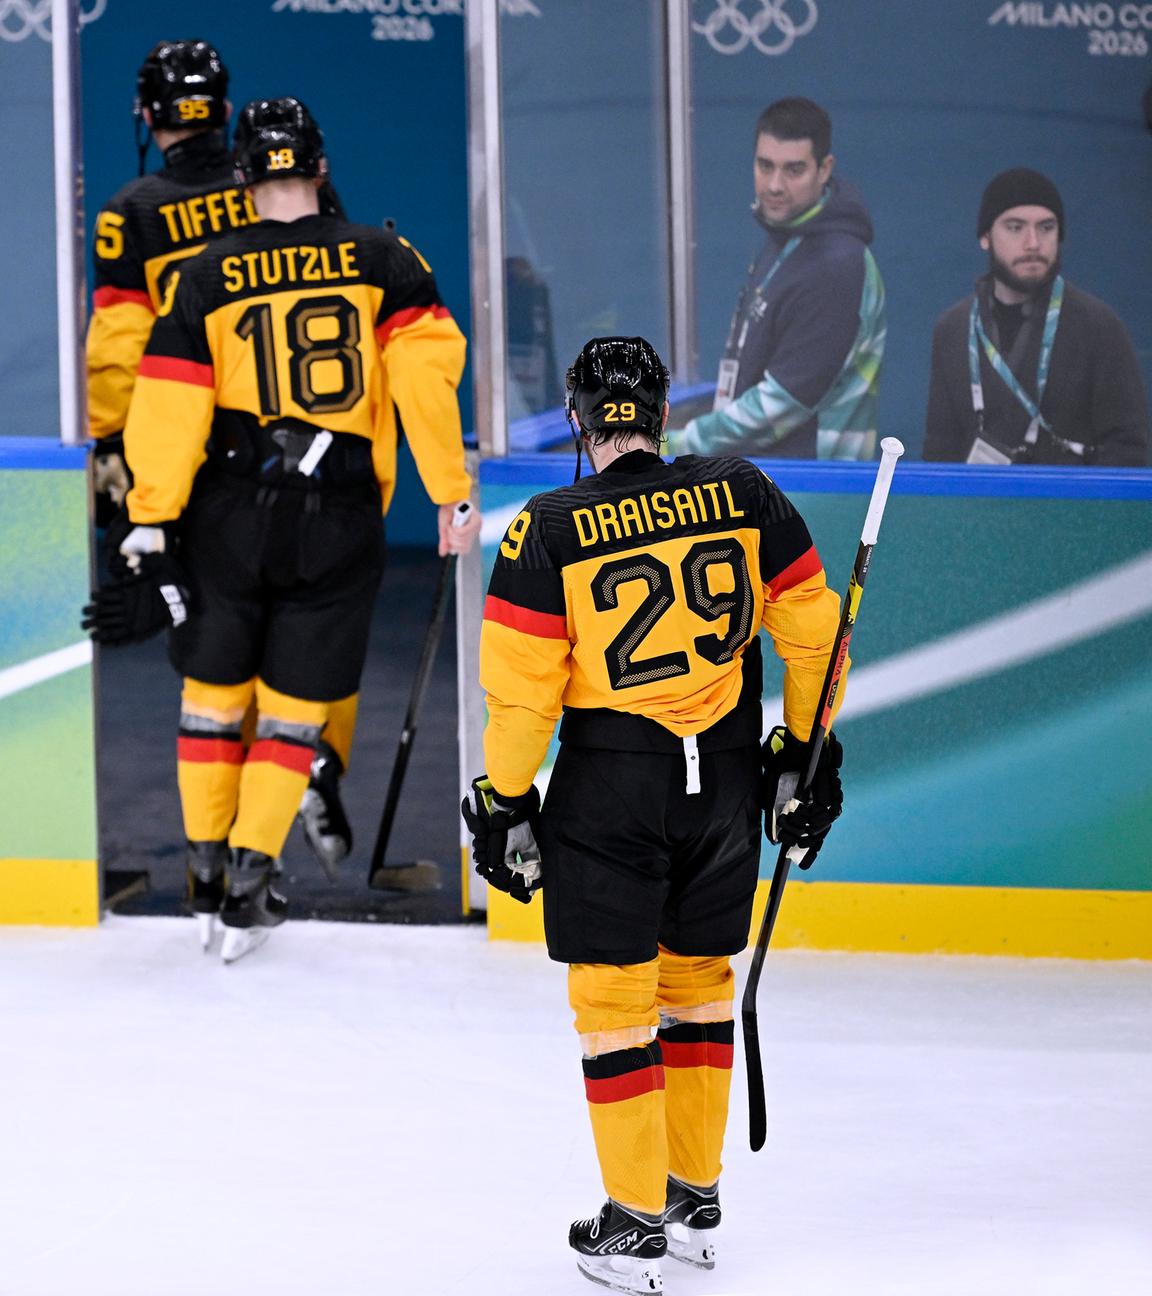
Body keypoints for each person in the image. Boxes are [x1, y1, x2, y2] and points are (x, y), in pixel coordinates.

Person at [462, 337, 846, 1292]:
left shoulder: (546, 527)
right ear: (663, 412)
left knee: (613, 1002)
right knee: (700, 981)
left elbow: (522, 699)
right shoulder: (743, 490)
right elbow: (815, 634)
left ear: (580, 416)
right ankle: (696, 1199)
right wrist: (805, 751)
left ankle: (633, 1220)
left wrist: (504, 801)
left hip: (612, 784)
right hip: (722, 781)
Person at [84, 96, 480, 962]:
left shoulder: (205, 274)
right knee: (297, 714)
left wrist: (149, 516)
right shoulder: (386, 257)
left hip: (227, 514)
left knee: (212, 697)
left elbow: (170, 406)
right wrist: (450, 492)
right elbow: (426, 386)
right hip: (337, 520)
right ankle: (251, 882)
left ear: (242, 177)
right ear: (320, 166)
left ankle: (201, 871)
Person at [85, 39, 361, 877]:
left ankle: (225, 852)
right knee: (313, 633)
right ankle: (312, 760)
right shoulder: (280, 184)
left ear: (147, 113)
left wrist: (114, 453)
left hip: (191, 461)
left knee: (218, 648)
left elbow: (119, 351)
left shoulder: (130, 212)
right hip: (303, 449)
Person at [676, 97, 885, 461]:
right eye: (765, 165)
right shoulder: (787, 237)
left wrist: (674, 444)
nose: (774, 185)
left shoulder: (837, 264)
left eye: (793, 170)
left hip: (819, 494)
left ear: (824, 169)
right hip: (779, 484)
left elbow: (782, 403)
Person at [923, 168, 1149, 466]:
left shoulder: (1098, 327)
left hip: (1069, 508)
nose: (1033, 243)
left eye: (1046, 228)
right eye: (1015, 228)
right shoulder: (954, 328)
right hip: (977, 507)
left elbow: (1129, 449)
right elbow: (941, 448)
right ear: (985, 237)